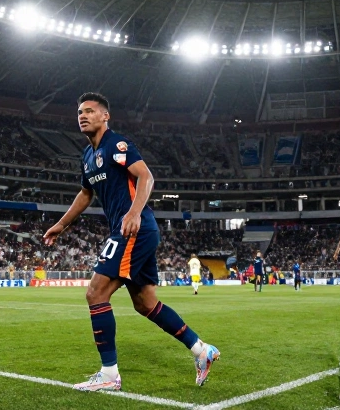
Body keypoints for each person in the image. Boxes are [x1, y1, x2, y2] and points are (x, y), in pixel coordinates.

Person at [43, 92, 219, 392]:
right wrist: (61, 225)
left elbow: (146, 177)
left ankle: (109, 376)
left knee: (95, 293)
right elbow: (85, 194)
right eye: (79, 112)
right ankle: (202, 351)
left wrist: (134, 212)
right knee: (144, 303)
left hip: (133, 229)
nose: (82, 116)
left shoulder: (117, 144)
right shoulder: (87, 157)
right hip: (133, 231)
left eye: (89, 111)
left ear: (105, 116)